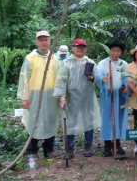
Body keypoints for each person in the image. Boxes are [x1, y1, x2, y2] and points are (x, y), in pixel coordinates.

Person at [53, 39, 101, 159]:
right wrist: (62, 97)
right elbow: (61, 81)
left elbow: (97, 80)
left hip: (87, 98)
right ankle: (69, 148)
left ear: (86, 48)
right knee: (70, 122)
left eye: (83, 47)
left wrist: (92, 78)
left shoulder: (90, 62)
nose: (80, 49)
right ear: (73, 48)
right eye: (78, 46)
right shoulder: (66, 63)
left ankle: (88, 146)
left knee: (88, 121)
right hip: (71, 98)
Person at [17, 30, 60, 158]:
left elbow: (58, 77)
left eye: (46, 40)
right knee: (33, 119)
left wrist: (61, 95)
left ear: (50, 42)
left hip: (51, 94)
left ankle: (49, 149)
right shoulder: (30, 58)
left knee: (50, 119)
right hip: (34, 94)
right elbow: (24, 78)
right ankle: (32, 150)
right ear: (36, 42)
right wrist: (24, 98)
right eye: (41, 40)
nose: (43, 42)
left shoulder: (54, 58)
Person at [95, 41, 129, 156]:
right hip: (108, 95)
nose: (116, 53)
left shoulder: (123, 64)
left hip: (120, 95)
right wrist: (103, 79)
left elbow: (126, 78)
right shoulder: (103, 63)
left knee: (118, 119)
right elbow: (97, 76)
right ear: (110, 51)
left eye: (118, 51)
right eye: (113, 50)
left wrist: (125, 87)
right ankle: (108, 146)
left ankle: (117, 144)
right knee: (108, 118)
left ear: (121, 52)